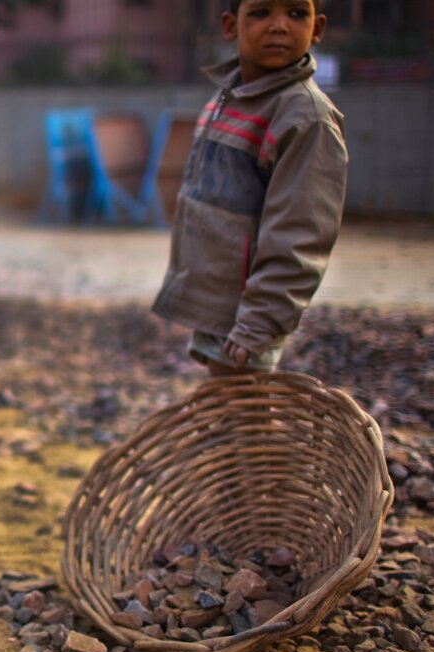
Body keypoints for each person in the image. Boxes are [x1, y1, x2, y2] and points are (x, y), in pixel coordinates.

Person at [152, 0, 347, 377]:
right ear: (229, 26)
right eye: (260, 13)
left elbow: (300, 235)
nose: (279, 26)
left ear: (318, 28)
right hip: (219, 302)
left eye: (296, 13)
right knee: (231, 412)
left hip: (249, 310)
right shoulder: (233, 96)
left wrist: (260, 321)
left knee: (246, 415)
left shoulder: (305, 119)